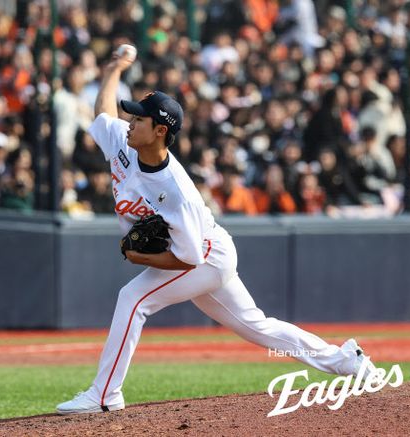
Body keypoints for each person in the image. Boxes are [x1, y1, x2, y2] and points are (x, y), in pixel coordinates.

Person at [56, 48, 381, 415]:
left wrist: (139, 255)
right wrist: (114, 69)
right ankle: (347, 360)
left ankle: (105, 394)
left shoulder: (177, 192)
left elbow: (189, 258)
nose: (130, 122)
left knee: (132, 299)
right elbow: (103, 112)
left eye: (139, 119)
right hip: (204, 250)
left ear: (160, 131)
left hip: (205, 257)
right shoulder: (123, 141)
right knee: (258, 328)